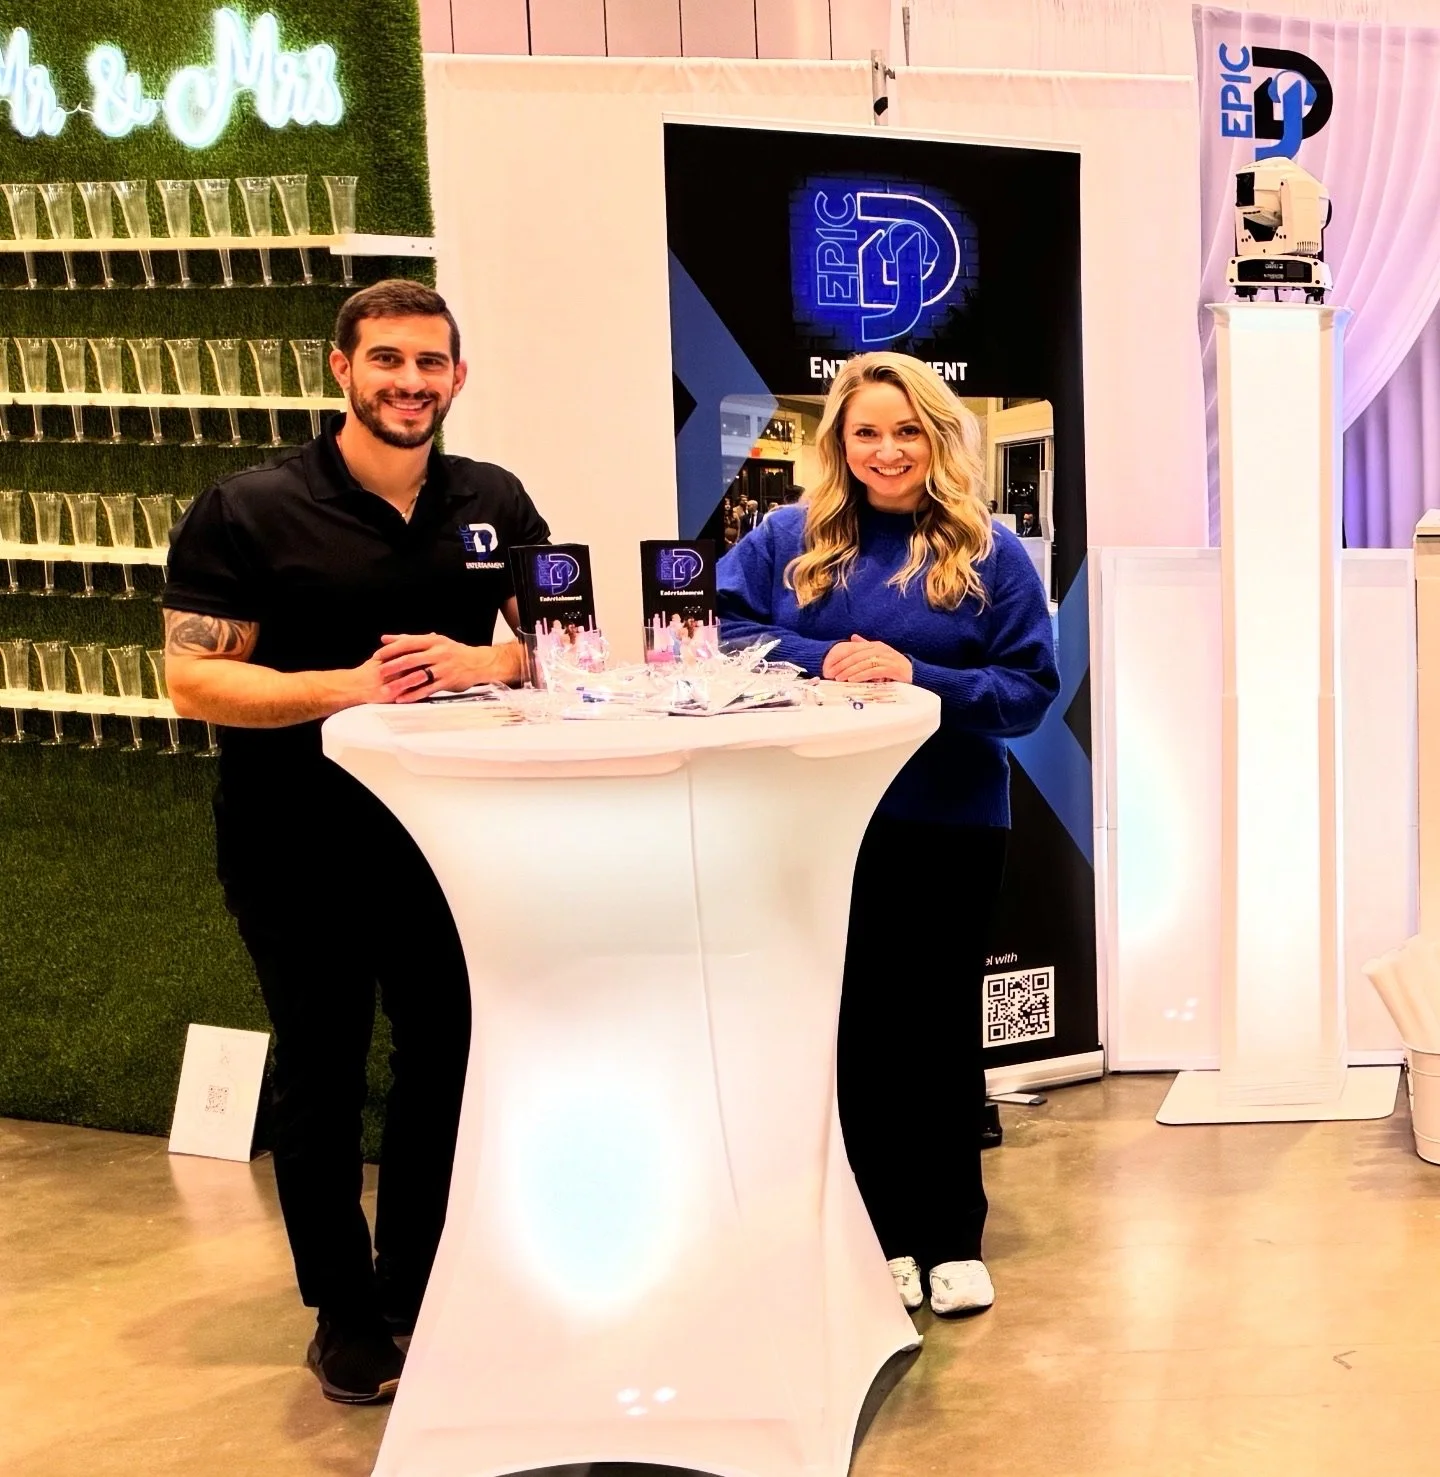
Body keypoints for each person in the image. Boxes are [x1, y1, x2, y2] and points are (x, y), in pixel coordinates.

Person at [162, 279, 550, 1404]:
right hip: (296, 841)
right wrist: (351, 686)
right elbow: (193, 679)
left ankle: (417, 1283)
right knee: (322, 1069)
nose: (409, 382)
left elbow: (560, 643)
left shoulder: (493, 498)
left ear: (458, 377)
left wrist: (485, 662)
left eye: (430, 363)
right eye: (386, 359)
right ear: (342, 368)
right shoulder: (248, 507)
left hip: (451, 839)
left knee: (445, 1057)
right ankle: (343, 1312)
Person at [716, 352, 1059, 1318]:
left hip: (952, 820)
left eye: (907, 430)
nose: (888, 449)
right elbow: (724, 632)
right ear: (840, 441)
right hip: (820, 822)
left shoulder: (991, 551)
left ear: (938, 438)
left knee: (939, 1028)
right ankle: (880, 1237)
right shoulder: (788, 537)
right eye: (867, 431)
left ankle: (951, 1236)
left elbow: (1028, 691)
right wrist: (829, 656)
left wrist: (913, 674)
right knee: (858, 1026)